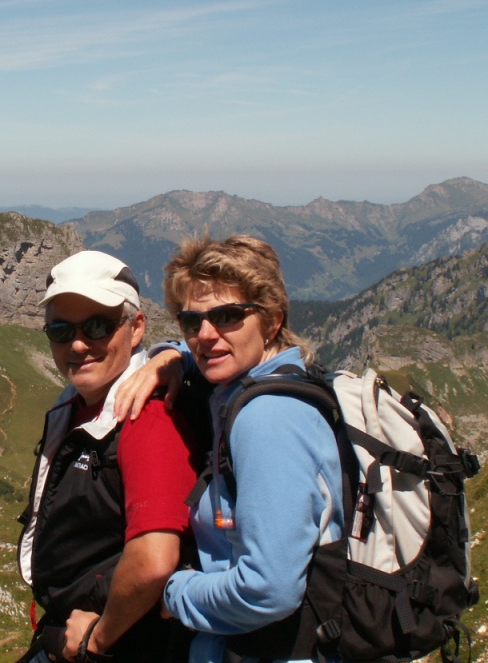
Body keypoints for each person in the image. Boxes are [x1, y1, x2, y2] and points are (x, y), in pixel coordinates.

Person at [114, 235, 346, 663]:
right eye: (191, 321)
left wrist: (174, 592)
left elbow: (269, 588)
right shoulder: (267, 383)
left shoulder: (267, 418)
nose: (206, 335)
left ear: (272, 321)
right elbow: (206, 347)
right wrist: (171, 356)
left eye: (227, 316)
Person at [17, 250, 200, 663]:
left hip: (122, 645)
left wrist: (96, 641)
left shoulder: (147, 417)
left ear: (136, 328)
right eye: (60, 330)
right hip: (71, 631)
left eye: (98, 326)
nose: (78, 344)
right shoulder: (78, 402)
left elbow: (155, 561)